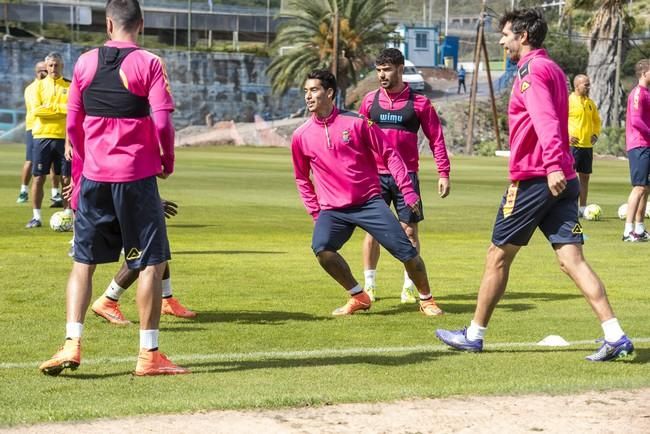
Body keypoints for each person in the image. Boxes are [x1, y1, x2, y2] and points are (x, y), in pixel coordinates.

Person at [435, 9, 634, 362]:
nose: (501, 40)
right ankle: (615, 334)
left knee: (497, 255)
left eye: (507, 34)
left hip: (536, 178)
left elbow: (545, 120)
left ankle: (474, 334)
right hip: (561, 178)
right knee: (572, 260)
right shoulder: (554, 68)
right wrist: (561, 167)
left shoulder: (530, 71)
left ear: (523, 35)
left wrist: (554, 165)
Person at [39, 0, 188, 376]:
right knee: (152, 262)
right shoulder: (149, 63)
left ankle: (71, 342)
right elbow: (164, 122)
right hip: (135, 177)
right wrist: (166, 160)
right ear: (141, 23)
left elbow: (73, 126)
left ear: (108, 24)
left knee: (83, 263)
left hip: (92, 177)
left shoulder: (85, 63)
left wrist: (80, 168)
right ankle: (149, 355)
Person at [291, 69, 443, 317]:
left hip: (368, 203)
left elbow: (390, 154)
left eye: (314, 90)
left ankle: (427, 299)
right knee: (322, 249)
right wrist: (316, 212)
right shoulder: (301, 135)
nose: (308, 96)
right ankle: (358, 295)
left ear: (329, 93)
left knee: (407, 252)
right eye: (306, 91)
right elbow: (301, 178)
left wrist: (408, 191)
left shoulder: (357, 122)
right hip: (333, 209)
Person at [359, 48, 450, 304]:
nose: (381, 75)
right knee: (372, 231)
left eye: (386, 70)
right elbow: (357, 140)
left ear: (400, 69)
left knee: (409, 232)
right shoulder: (369, 102)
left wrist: (443, 172)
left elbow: (437, 140)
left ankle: (410, 286)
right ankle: (370, 285)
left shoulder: (419, 103)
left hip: (407, 177)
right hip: (375, 175)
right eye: (378, 70)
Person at [91, 199, 197, 325]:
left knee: (158, 248)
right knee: (144, 253)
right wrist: (149, 202)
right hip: (128, 204)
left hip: (137, 201)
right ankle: (108, 300)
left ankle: (167, 300)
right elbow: (123, 182)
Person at [26, 52, 71, 228]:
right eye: (50, 65)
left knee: (66, 178)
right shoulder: (36, 87)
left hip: (64, 138)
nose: (53, 68)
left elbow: (75, 109)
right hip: (41, 136)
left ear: (62, 66)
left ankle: (68, 215)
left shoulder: (71, 85)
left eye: (57, 65)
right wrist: (63, 109)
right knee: (38, 178)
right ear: (46, 66)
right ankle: (36, 216)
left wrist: (51, 108)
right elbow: (37, 111)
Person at [621, 59, 650, 242]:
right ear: (644, 73)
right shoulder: (638, 93)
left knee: (646, 188)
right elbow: (637, 121)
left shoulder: (647, 92)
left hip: (647, 144)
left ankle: (639, 229)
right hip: (639, 144)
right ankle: (627, 230)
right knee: (639, 187)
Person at [568, 74, 601, 217]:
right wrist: (567, 135)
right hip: (572, 146)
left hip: (587, 146)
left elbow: (597, 121)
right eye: (585, 84)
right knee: (569, 177)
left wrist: (595, 134)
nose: (588, 86)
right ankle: (567, 207)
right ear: (577, 85)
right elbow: (559, 120)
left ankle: (582, 207)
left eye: (588, 84)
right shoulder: (568, 101)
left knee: (585, 177)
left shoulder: (590, 103)